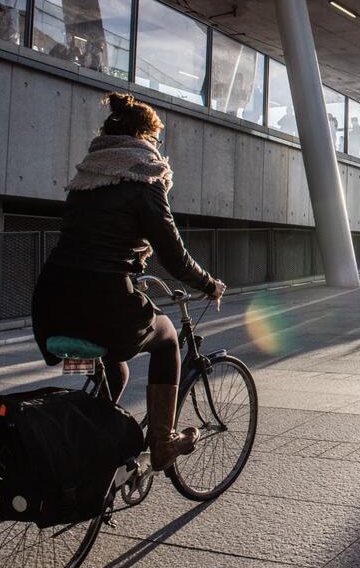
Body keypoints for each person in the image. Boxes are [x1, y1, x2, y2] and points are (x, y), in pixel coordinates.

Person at [31, 92, 226, 470]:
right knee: (167, 338)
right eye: (154, 139)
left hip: (52, 302)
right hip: (103, 300)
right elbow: (173, 255)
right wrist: (209, 284)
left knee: (116, 365)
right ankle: (163, 444)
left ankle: (94, 441)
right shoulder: (143, 175)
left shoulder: (87, 175)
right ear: (144, 136)